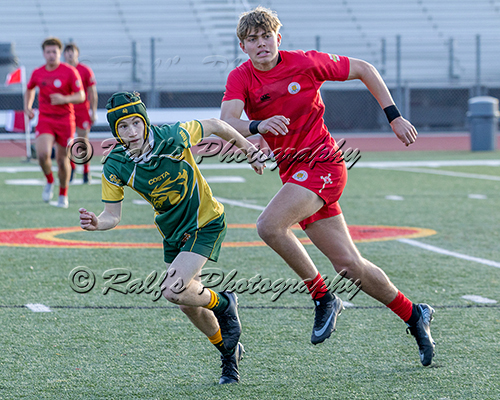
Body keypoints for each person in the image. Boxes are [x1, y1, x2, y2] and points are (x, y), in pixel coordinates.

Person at [220, 6, 436, 366]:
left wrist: (394, 117)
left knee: (269, 225)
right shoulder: (241, 77)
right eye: (252, 39)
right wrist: (255, 134)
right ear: (243, 47)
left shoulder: (305, 63)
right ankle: (415, 314)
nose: (261, 44)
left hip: (324, 164)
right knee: (349, 266)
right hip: (294, 173)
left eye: (266, 36)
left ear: (278, 37)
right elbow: (227, 121)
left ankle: (322, 297)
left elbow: (364, 69)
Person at [79, 91, 267, 383]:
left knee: (173, 290)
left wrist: (248, 149)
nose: (132, 131)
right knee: (187, 303)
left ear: (145, 121)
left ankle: (225, 302)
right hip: (173, 233)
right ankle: (229, 352)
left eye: (136, 123)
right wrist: (97, 223)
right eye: (123, 126)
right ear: (115, 131)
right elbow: (112, 215)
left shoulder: (173, 135)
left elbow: (217, 125)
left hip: (205, 222)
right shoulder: (115, 164)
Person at [24, 37, 85, 208]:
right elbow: (29, 88)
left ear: (60, 53)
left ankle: (63, 194)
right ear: (44, 53)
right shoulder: (38, 72)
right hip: (45, 119)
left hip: (65, 120)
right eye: (48, 52)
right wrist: (28, 107)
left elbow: (81, 96)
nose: (51, 55)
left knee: (62, 160)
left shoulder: (69, 71)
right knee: (42, 154)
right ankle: (50, 180)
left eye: (54, 52)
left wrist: (64, 99)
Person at [63, 42, 98, 184]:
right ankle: (71, 169)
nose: (70, 54)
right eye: (67, 51)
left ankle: (86, 170)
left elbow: (92, 92)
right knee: (68, 141)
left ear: (77, 53)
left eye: (72, 51)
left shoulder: (85, 70)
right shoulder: (62, 70)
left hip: (82, 110)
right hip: (66, 111)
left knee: (83, 141)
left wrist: (93, 112)